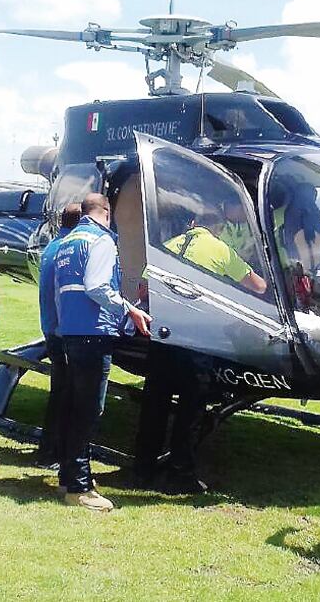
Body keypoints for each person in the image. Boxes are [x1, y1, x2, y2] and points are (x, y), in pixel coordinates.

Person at [133, 210, 266, 493]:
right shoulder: (220, 249)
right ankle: (181, 474)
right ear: (216, 228)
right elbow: (259, 286)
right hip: (196, 342)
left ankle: (142, 469)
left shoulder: (166, 247)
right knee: (190, 411)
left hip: (163, 338)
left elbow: (143, 291)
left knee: (154, 407)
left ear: (192, 225)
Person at [55, 193, 152, 511]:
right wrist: (129, 310)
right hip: (93, 333)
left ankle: (70, 476)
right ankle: (78, 488)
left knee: (75, 406)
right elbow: (97, 287)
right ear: (107, 213)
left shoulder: (69, 241)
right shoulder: (101, 240)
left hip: (71, 331)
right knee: (88, 410)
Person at [34, 203, 82, 468]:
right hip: (62, 333)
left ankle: (51, 450)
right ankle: (53, 452)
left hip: (53, 329)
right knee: (64, 395)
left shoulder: (54, 247)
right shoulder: (66, 249)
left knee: (60, 393)